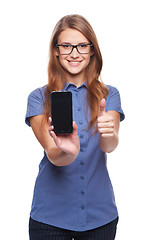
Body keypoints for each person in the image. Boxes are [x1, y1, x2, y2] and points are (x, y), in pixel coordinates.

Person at [25, 14, 125, 240]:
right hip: (50, 218)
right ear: (56, 51)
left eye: (82, 46)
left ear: (92, 50)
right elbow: (54, 155)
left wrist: (109, 132)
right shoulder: (39, 98)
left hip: (100, 216)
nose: (74, 53)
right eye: (67, 46)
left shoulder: (109, 95)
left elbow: (109, 145)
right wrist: (67, 151)